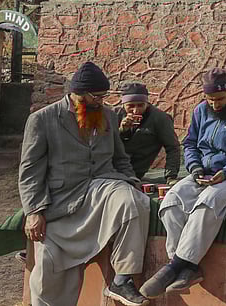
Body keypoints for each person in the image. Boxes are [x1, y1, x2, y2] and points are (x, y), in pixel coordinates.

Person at [19, 61, 149, 306]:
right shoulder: (42, 119)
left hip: (101, 189)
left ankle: (122, 279)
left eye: (103, 96)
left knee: (133, 201)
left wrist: (131, 181)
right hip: (61, 202)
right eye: (95, 96)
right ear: (77, 94)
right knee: (48, 273)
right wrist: (34, 211)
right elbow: (30, 170)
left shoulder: (108, 115)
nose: (100, 101)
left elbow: (120, 158)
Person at [140, 68, 226, 298]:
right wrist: (195, 168)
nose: (215, 104)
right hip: (202, 174)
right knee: (170, 202)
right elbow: (190, 144)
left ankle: (174, 267)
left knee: (208, 202)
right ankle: (187, 268)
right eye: (210, 99)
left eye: (220, 99)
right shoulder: (200, 111)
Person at [115, 82, 180, 184]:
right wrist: (122, 131)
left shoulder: (160, 119)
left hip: (136, 171)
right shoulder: (114, 115)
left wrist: (171, 176)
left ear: (147, 103)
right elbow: (105, 144)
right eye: (130, 106)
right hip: (112, 169)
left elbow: (173, 147)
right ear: (123, 105)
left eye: (141, 105)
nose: (136, 111)